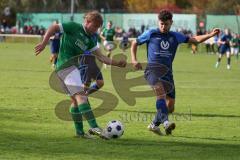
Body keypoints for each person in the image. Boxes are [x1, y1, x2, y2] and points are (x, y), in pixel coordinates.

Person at [35, 11, 126, 139]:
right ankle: (95, 127)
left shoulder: (89, 39)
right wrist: (44, 43)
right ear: (87, 22)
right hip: (66, 68)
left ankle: (79, 133)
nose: (96, 30)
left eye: (98, 27)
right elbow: (53, 28)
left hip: (70, 70)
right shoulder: (73, 27)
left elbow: (101, 57)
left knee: (75, 101)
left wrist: (117, 63)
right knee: (82, 97)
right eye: (94, 26)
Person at [131, 10, 220, 136]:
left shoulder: (175, 36)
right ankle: (166, 122)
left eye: (166, 24)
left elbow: (194, 40)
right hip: (152, 70)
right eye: (161, 24)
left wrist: (211, 35)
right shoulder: (151, 33)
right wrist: (134, 59)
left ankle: (154, 125)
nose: (163, 26)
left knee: (171, 105)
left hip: (168, 73)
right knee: (160, 94)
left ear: (171, 23)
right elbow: (135, 42)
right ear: (158, 22)